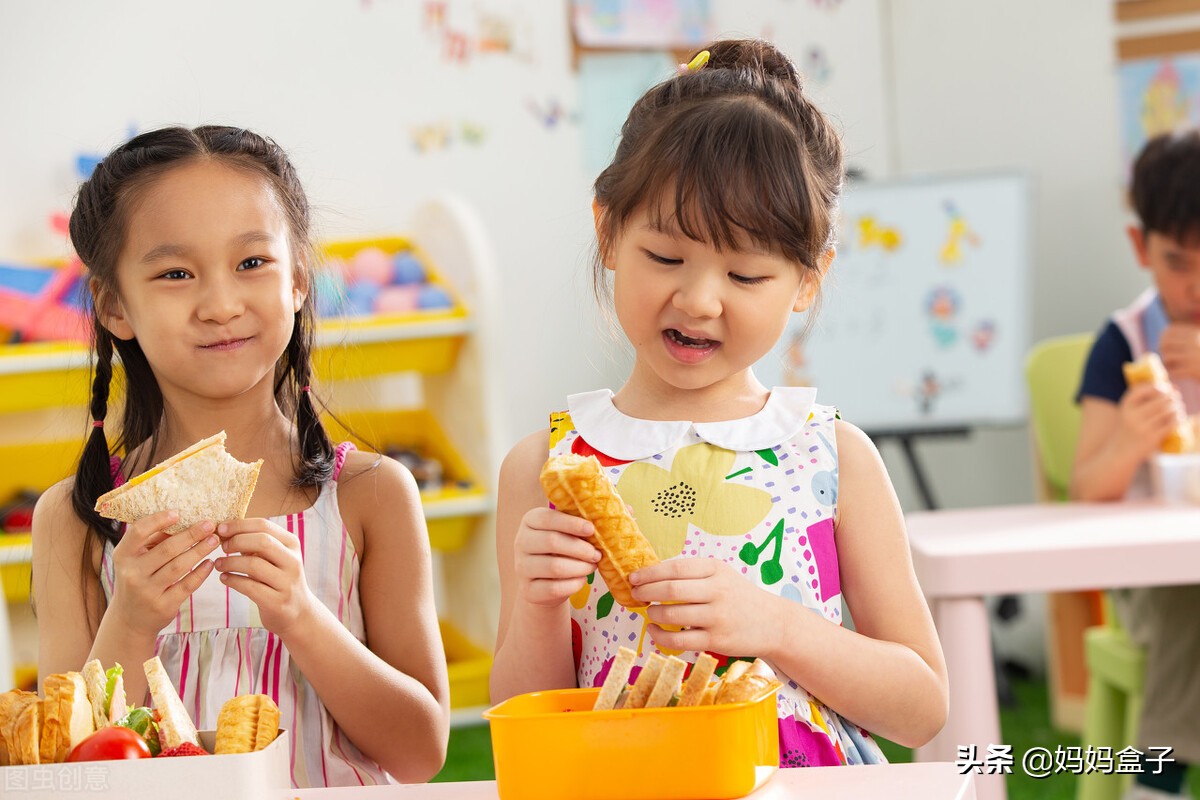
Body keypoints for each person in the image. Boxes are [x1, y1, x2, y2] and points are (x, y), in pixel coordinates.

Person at [490, 39, 948, 767]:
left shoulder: (832, 457)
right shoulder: (545, 468)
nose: (699, 299)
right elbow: (521, 720)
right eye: (666, 258)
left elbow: (922, 708)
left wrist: (776, 626)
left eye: (744, 274)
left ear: (806, 279)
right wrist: (541, 609)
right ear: (608, 231)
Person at [31, 126, 449, 786]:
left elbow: (421, 754)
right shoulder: (75, 518)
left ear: (299, 280)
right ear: (114, 306)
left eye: (252, 263)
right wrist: (133, 622)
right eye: (175, 273)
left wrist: (303, 619)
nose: (221, 304)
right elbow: (67, 770)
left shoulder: (372, 494)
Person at [1073, 129, 1200, 800]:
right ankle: (1158, 779)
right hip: (1154, 583)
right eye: (1178, 261)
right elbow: (1086, 486)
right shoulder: (1122, 342)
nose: (1197, 285)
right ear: (1140, 247)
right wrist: (1127, 441)